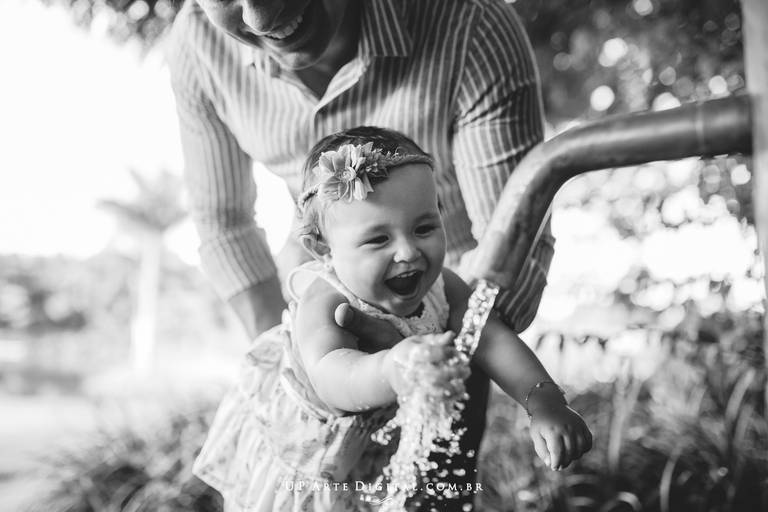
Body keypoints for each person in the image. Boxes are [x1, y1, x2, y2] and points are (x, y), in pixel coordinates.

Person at [193, 127, 591, 512]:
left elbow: (490, 339)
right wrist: (389, 368)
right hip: (310, 453)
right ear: (323, 249)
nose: (408, 252)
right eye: (378, 239)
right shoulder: (325, 297)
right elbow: (330, 374)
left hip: (373, 455)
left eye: (424, 228)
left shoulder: (444, 287)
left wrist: (544, 401)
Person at [165, 0, 554, 342]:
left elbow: (511, 247)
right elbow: (225, 221)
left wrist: (430, 345)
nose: (259, 20)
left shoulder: (471, 26)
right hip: (315, 301)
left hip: (449, 298)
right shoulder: (199, 42)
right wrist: (293, 353)